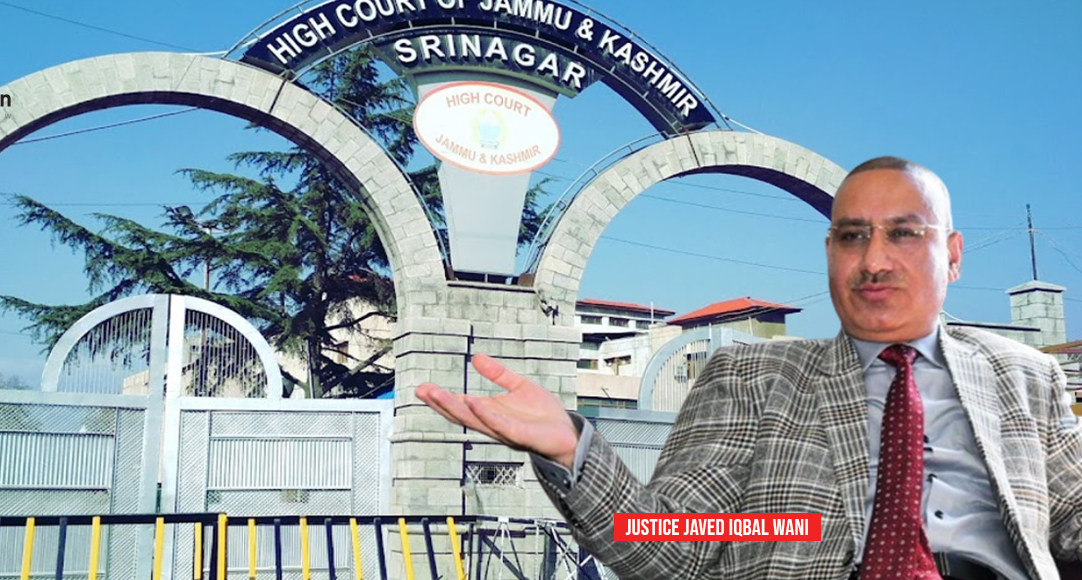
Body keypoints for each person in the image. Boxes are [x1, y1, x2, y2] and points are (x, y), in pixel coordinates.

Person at [416, 157, 1082, 580]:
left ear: (954, 255)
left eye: (904, 233)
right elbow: (673, 546)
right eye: (852, 236)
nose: (874, 260)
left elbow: (1071, 516)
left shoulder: (1023, 376)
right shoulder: (752, 376)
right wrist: (571, 446)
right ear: (830, 251)